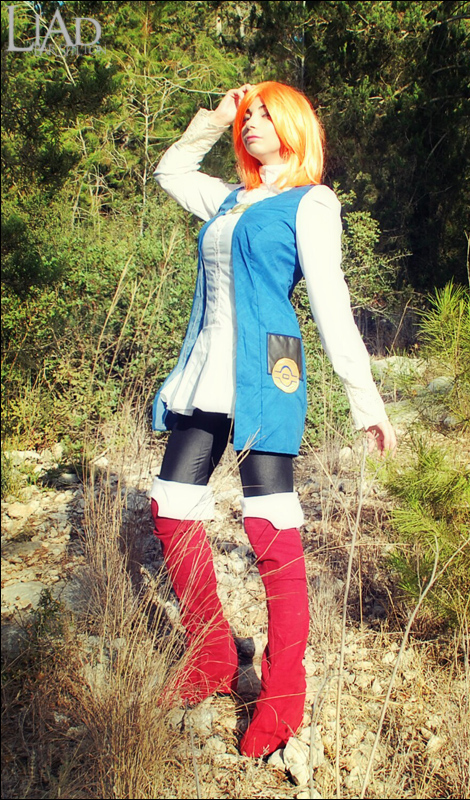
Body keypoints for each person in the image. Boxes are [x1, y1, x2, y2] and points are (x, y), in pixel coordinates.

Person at [150, 82, 397, 758]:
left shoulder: (310, 203)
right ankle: (212, 655)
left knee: (269, 525)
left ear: (292, 124)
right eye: (248, 114)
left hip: (269, 368)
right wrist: (215, 118)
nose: (252, 121)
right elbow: (170, 172)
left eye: (264, 112)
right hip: (207, 369)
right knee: (170, 508)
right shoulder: (230, 199)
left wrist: (365, 400)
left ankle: (284, 695)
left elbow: (330, 303)